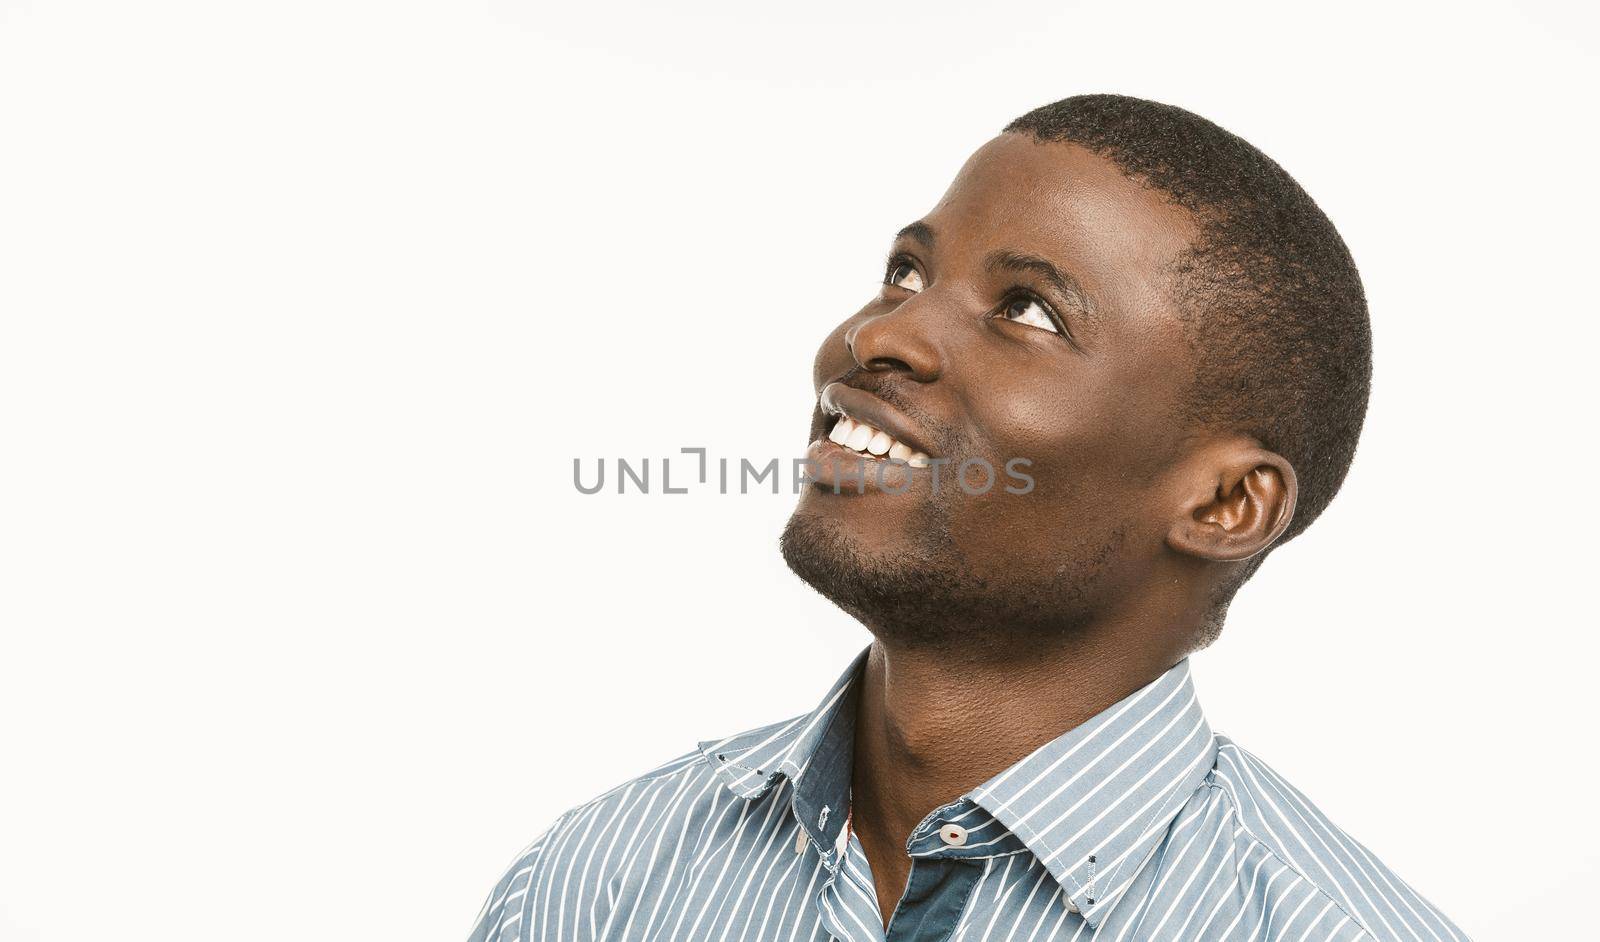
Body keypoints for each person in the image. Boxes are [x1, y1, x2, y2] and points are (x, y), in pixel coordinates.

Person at [468, 94, 1467, 941]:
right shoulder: (598, 881)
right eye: (906, 272)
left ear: (1221, 503)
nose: (880, 333)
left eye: (1027, 310)